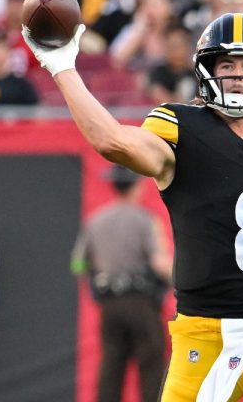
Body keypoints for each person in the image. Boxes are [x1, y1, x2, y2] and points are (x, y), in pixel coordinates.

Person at [22, 12, 243, 401]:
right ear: (207, 71)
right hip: (207, 338)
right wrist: (63, 68)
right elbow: (114, 143)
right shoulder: (181, 130)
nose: (238, 75)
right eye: (226, 64)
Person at [71, 164, 171, 402]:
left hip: (110, 305)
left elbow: (78, 264)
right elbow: (159, 264)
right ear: (138, 185)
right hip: (141, 304)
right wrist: (179, 280)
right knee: (152, 368)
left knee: (111, 369)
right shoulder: (145, 221)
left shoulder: (95, 221)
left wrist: (99, 276)